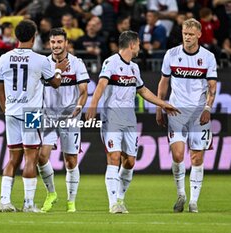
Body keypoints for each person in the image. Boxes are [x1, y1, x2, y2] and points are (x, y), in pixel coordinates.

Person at [86, 30, 180, 214]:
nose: (139, 47)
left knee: (129, 161)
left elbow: (143, 91)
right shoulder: (110, 62)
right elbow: (101, 85)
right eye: (137, 44)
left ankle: (120, 198)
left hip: (129, 119)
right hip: (111, 117)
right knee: (113, 157)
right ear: (132, 44)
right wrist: (93, 105)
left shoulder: (134, 68)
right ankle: (113, 203)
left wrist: (163, 104)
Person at [0, 19, 69, 213]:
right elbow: (55, 84)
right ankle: (28, 203)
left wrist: (7, 111)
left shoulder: (4, 58)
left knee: (13, 158)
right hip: (31, 113)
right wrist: (59, 71)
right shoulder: (41, 60)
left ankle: (4, 200)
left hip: (11, 111)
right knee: (30, 157)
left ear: (16, 36)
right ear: (34, 36)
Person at [156, 18, 217, 213]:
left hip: (199, 112)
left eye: (191, 34)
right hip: (176, 110)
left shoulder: (208, 57)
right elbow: (163, 82)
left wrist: (207, 108)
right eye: (185, 34)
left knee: (197, 157)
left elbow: (212, 87)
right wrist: (159, 106)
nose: (187, 37)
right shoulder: (171, 54)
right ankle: (181, 194)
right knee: (178, 154)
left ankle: (193, 202)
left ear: (199, 35)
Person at [37, 28, 89, 213]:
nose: (56, 46)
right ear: (49, 44)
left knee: (71, 161)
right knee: (41, 157)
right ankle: (51, 194)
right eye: (53, 42)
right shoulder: (43, 63)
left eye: (59, 42)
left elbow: (83, 90)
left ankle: (71, 202)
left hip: (70, 117)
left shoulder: (77, 63)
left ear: (66, 43)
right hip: (47, 116)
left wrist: (79, 106)